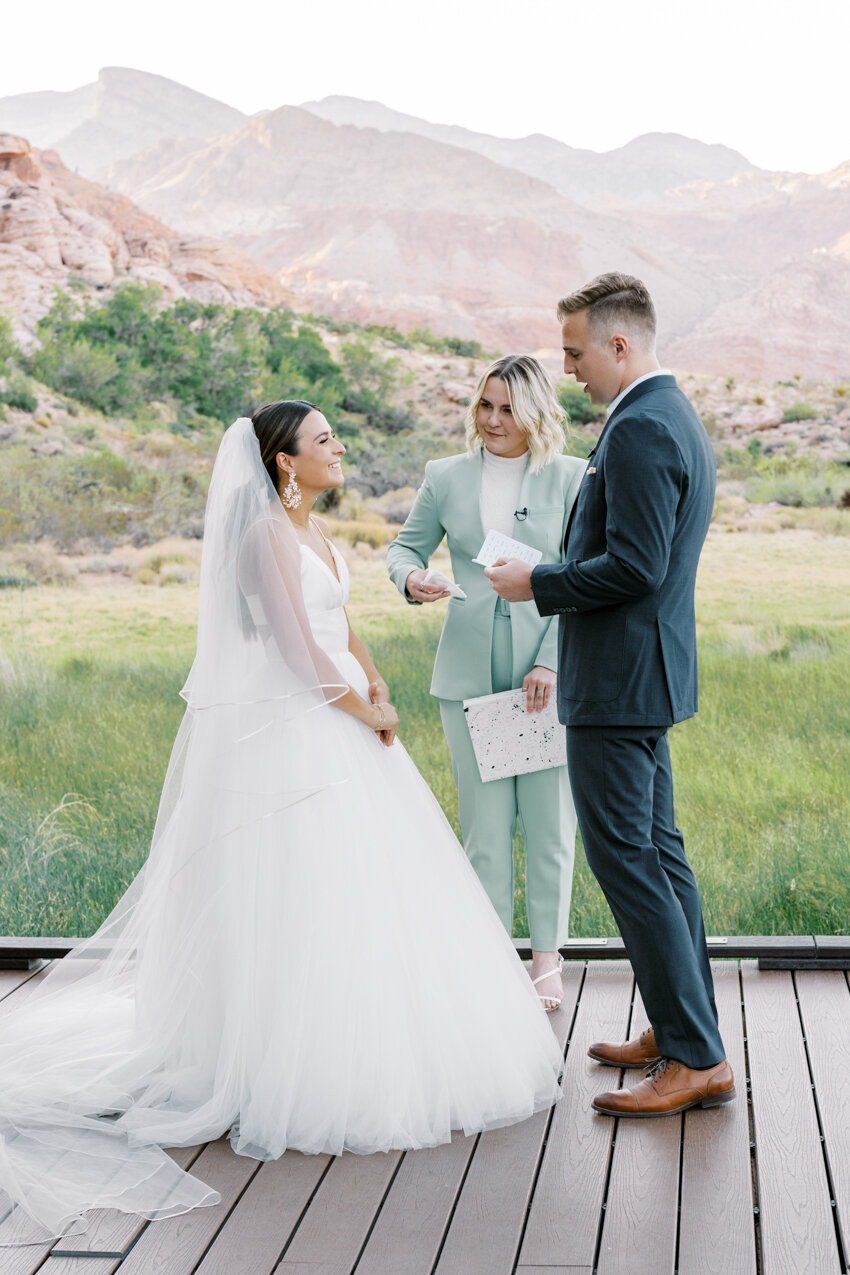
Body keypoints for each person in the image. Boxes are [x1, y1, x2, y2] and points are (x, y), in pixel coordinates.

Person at [0, 402, 563, 1247]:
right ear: (284, 461)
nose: (340, 447)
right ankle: (283, 1063)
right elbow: (299, 654)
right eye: (325, 440)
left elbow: (344, 628)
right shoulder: (264, 533)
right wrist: (359, 713)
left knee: (373, 892)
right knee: (302, 888)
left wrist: (377, 688)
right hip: (301, 728)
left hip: (351, 716)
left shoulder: (313, 530)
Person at [486, 275, 735, 1117]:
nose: (568, 368)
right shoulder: (667, 416)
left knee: (627, 859)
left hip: (621, 683)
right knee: (659, 855)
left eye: (574, 351)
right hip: (644, 676)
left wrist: (537, 582)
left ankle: (695, 1054)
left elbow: (637, 565)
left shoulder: (638, 431)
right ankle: (679, 1028)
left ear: (619, 346)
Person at [387, 356, 586, 1011]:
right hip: (468, 672)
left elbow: (585, 575)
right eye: (485, 405)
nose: (493, 420)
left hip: (544, 676)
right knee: (486, 827)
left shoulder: (571, 477)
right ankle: (493, 956)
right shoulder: (444, 476)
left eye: (507, 408)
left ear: (535, 412)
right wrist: (411, 580)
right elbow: (404, 549)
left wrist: (552, 659)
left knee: (550, 823)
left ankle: (547, 961)